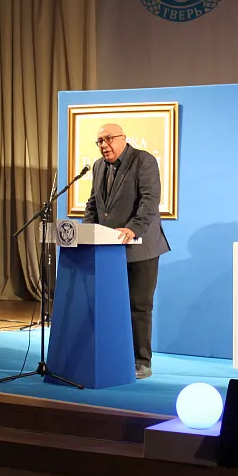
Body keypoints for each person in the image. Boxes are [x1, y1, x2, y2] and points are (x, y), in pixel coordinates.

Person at [82, 123, 170, 379]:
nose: (103, 145)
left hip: (141, 248)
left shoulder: (144, 161)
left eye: (108, 139)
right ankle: (114, 355)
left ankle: (142, 362)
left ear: (123, 139)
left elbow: (150, 201)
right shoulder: (98, 166)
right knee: (110, 305)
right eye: (99, 141)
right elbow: (93, 204)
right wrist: (87, 231)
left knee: (139, 306)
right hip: (108, 250)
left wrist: (133, 228)